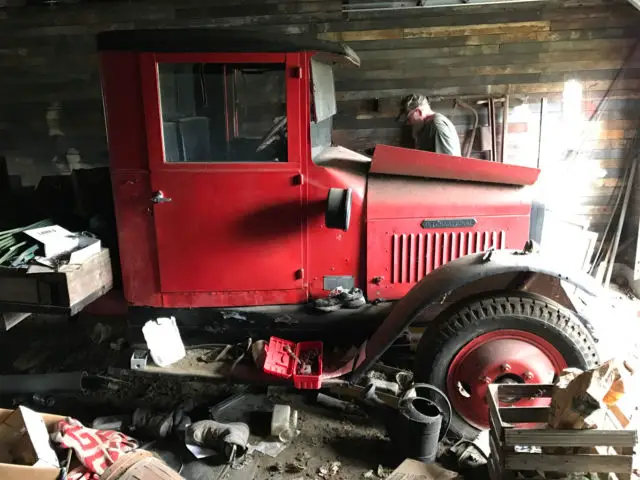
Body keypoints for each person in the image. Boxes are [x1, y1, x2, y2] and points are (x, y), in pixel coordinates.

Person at [396, 94, 461, 157]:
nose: (408, 123)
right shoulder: (427, 125)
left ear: (418, 112)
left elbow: (447, 163)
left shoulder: (436, 126)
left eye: (409, 118)